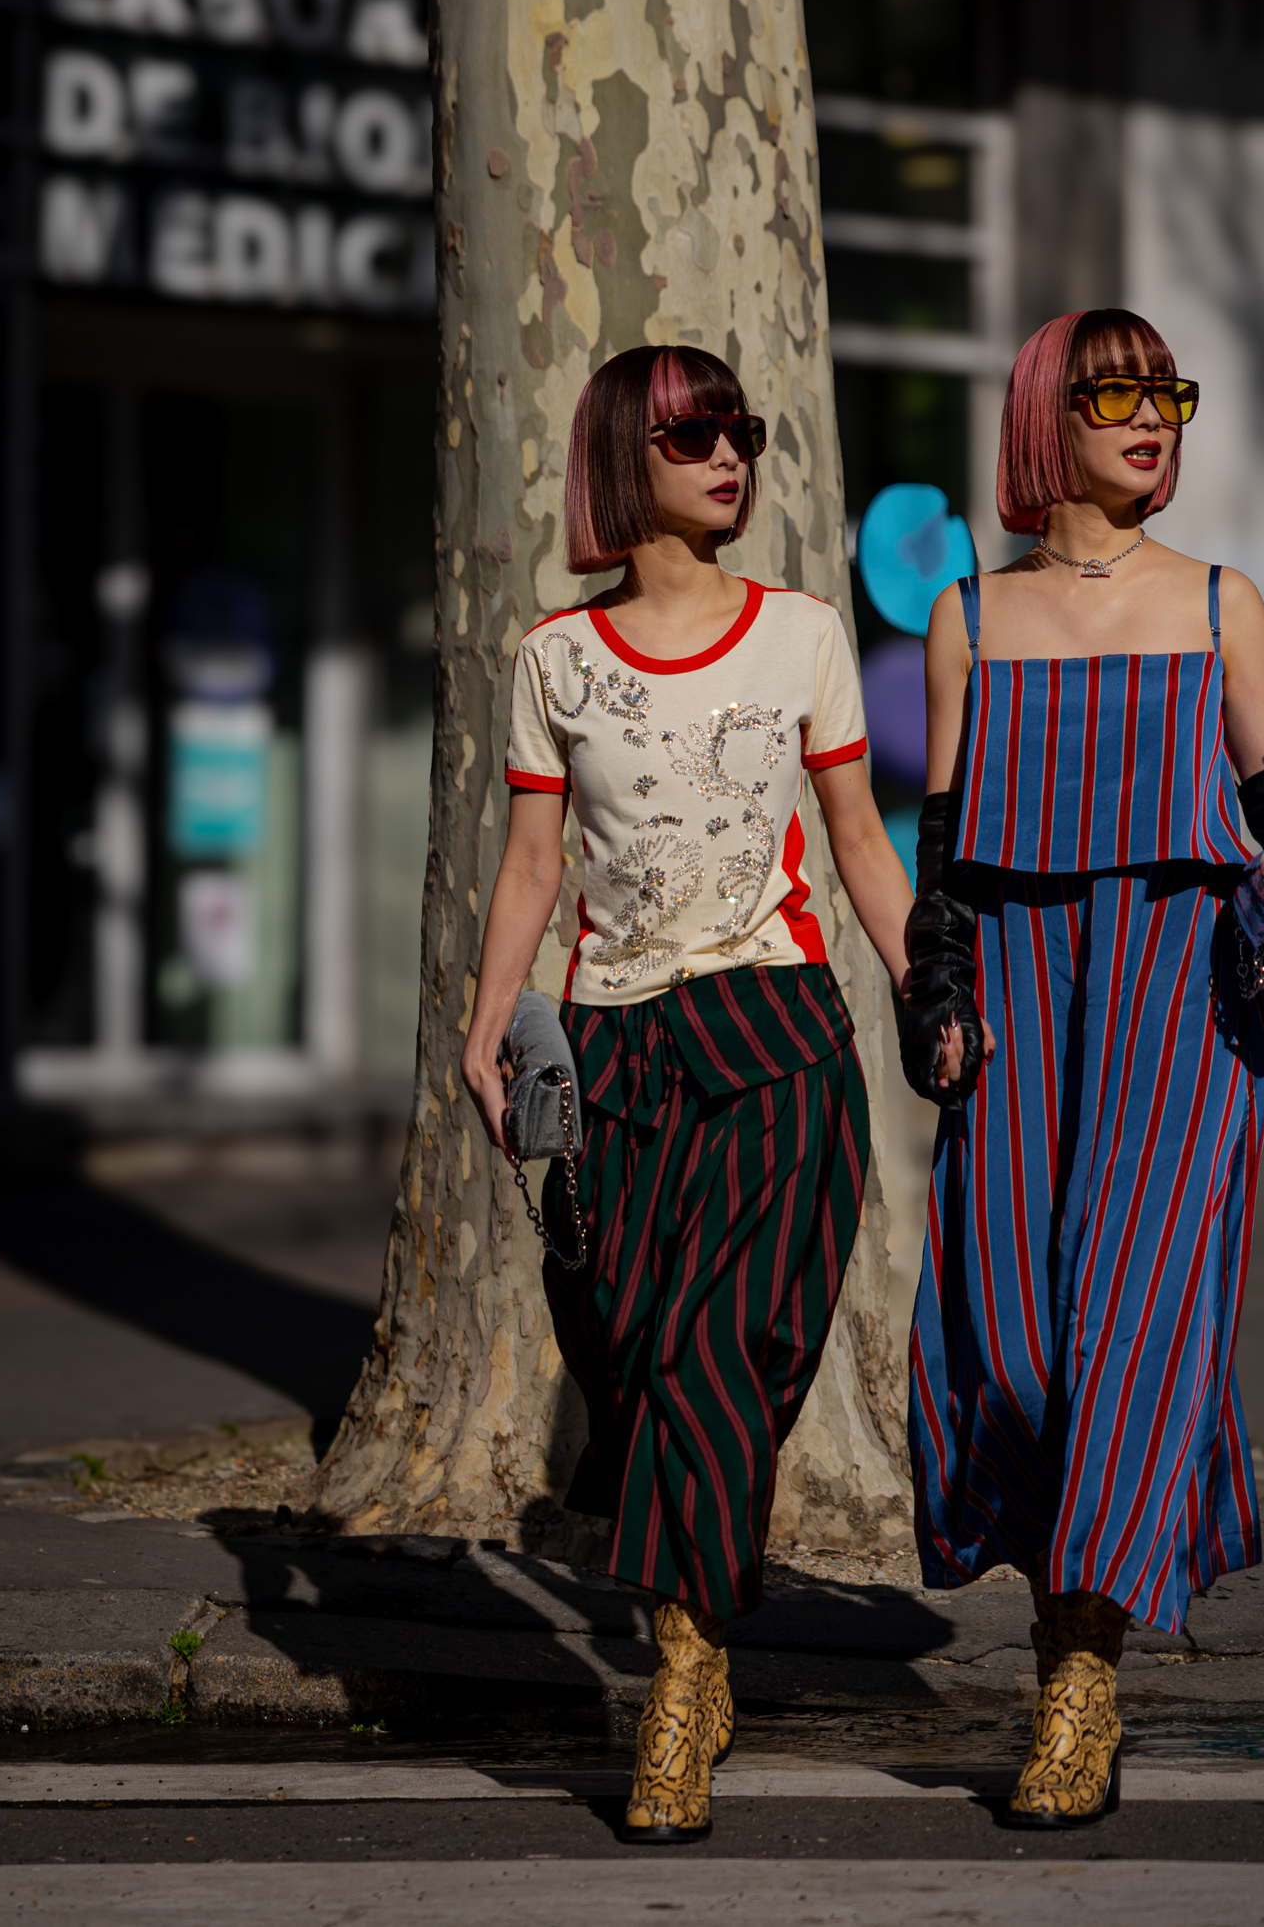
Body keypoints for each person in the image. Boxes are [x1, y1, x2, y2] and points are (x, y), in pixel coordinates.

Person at [899, 307, 1264, 1829]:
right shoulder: (967, 618)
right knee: (1010, 1338)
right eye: (1119, 396)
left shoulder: (1222, 602)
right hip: (1016, 994)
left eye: (1168, 393)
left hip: (1184, 993)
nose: (1155, 419)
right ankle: (1071, 1604)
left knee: (1132, 1320)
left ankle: (1078, 1681)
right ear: (1047, 416)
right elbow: (939, 852)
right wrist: (935, 989)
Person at [460, 343, 950, 1847]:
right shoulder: (555, 660)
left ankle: (682, 1675)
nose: (731, 454)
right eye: (696, 434)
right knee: (622, 1346)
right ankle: (695, 1613)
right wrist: (485, 1029)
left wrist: (928, 987)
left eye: (742, 430)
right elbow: (533, 865)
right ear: (629, 456)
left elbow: (859, 840)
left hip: (775, 1035)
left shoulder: (802, 634)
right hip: (611, 1051)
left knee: (713, 1350)